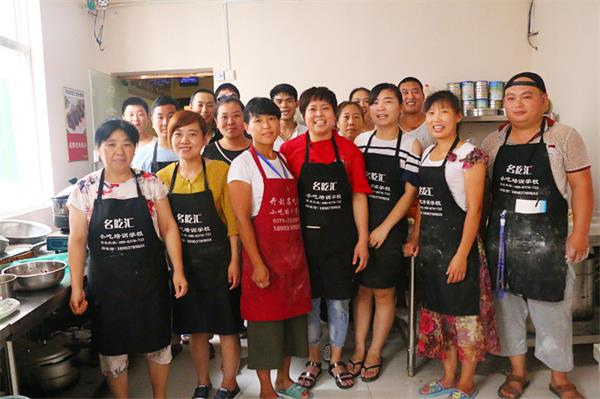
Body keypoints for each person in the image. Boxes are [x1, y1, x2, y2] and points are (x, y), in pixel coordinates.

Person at [482, 72, 593, 399]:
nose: (518, 103)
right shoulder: (493, 142)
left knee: (553, 312)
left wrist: (580, 233)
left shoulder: (564, 137)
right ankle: (516, 372)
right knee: (507, 310)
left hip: (548, 242)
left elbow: (582, 188)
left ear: (544, 101)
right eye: (511, 98)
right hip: (503, 242)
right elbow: (485, 196)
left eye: (526, 96)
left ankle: (559, 377)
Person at [68, 119, 188, 399]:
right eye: (111, 144)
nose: (119, 151)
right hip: (107, 286)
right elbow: (77, 241)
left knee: (158, 344)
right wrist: (76, 286)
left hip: (149, 281)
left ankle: (160, 396)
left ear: (135, 149)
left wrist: (178, 271)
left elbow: (169, 228)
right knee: (112, 350)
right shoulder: (84, 189)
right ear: (98, 149)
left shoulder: (149, 183)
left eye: (126, 144)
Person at [404, 90, 499, 399]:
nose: (436, 119)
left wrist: (461, 255)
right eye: (431, 113)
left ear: (458, 117)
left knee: (464, 319)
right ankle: (447, 376)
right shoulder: (425, 153)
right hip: (431, 251)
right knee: (440, 317)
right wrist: (417, 236)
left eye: (444, 112)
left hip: (462, 250)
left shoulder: (470, 155)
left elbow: (474, 210)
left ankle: (467, 382)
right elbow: (422, 203)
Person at [280, 87, 371, 390]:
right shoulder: (290, 150)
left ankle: (337, 360)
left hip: (341, 241)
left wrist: (362, 239)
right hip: (303, 243)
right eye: (312, 110)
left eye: (325, 109)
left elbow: (359, 197)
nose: (319, 115)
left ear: (334, 114)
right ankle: (314, 360)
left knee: (340, 302)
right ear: (302, 116)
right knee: (309, 304)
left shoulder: (348, 151)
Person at [228, 98, 313, 399]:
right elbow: (241, 219)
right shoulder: (242, 166)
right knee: (266, 327)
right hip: (263, 258)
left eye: (272, 120)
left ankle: (284, 379)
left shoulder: (283, 160)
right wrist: (258, 263)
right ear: (247, 126)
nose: (267, 126)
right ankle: (266, 388)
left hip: (292, 259)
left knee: (291, 323)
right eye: (259, 120)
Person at [156, 111, 242, 399]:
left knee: (227, 328)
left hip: (219, 262)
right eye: (177, 134)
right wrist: (174, 269)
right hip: (186, 266)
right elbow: (164, 228)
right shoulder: (163, 178)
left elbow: (232, 222)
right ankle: (202, 382)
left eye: (192, 134)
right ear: (169, 139)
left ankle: (229, 382)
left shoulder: (220, 171)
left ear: (206, 138)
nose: (184, 141)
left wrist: (234, 261)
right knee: (196, 330)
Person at [350, 83, 420, 382]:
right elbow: (355, 188)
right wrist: (363, 231)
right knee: (361, 290)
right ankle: (358, 347)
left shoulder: (411, 145)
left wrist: (383, 228)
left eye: (388, 101)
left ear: (400, 107)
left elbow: (409, 194)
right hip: (358, 227)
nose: (380, 107)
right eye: (376, 102)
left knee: (384, 291)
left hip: (390, 229)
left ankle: (376, 350)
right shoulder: (361, 141)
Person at [132, 96, 181, 173]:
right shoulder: (143, 155)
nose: (165, 123)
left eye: (170, 117)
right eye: (160, 117)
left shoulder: (189, 151)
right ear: (152, 121)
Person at [203, 97, 251, 165]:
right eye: (224, 117)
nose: (230, 122)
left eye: (236, 115)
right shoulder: (208, 152)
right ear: (216, 121)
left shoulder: (258, 148)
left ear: (245, 118)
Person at [398, 77, 435, 149]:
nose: (411, 97)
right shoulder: (391, 125)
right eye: (405, 92)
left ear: (423, 96)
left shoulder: (434, 123)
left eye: (415, 92)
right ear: (398, 98)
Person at [269, 83, 307, 150]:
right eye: (279, 102)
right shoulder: (266, 134)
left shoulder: (307, 132)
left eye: (289, 101)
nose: (284, 105)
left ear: (297, 103)